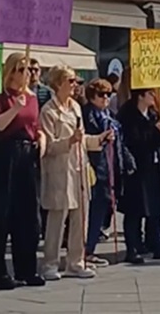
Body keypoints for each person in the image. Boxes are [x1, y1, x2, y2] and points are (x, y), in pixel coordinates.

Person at [0, 53, 45, 290]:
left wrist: (41, 138)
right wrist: (15, 108)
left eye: (29, 69)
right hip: (4, 155)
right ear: (11, 72)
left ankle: (27, 268)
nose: (27, 74)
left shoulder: (32, 98)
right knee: (0, 213)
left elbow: (34, 125)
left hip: (27, 156)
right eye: (21, 69)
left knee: (28, 214)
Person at [39, 66, 97, 280]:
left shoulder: (76, 107)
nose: (75, 85)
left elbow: (82, 138)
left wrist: (98, 140)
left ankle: (76, 262)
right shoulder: (48, 111)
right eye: (71, 81)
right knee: (57, 217)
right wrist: (69, 141)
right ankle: (50, 263)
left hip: (79, 167)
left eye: (76, 81)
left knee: (81, 217)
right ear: (58, 83)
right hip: (59, 170)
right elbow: (48, 146)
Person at [117, 89, 160, 264]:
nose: (154, 97)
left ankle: (157, 244)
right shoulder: (129, 115)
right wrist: (154, 132)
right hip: (137, 168)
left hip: (154, 166)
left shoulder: (153, 114)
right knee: (134, 210)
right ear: (141, 96)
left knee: (156, 207)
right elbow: (134, 141)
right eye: (151, 94)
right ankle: (132, 248)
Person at [83, 79, 132, 264]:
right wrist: (103, 137)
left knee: (105, 208)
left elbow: (120, 141)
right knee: (95, 211)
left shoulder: (109, 114)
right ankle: (87, 250)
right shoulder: (88, 114)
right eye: (101, 94)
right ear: (92, 96)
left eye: (108, 94)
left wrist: (127, 160)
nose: (105, 98)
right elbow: (90, 139)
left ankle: (91, 245)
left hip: (111, 167)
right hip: (96, 169)